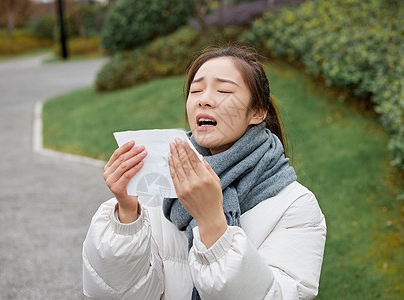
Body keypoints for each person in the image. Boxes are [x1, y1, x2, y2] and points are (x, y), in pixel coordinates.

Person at [82, 46, 326, 299]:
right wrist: (126, 216)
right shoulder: (156, 184)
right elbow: (117, 293)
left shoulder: (295, 207)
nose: (203, 99)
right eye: (195, 90)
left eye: (224, 91)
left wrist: (212, 222)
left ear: (257, 112)